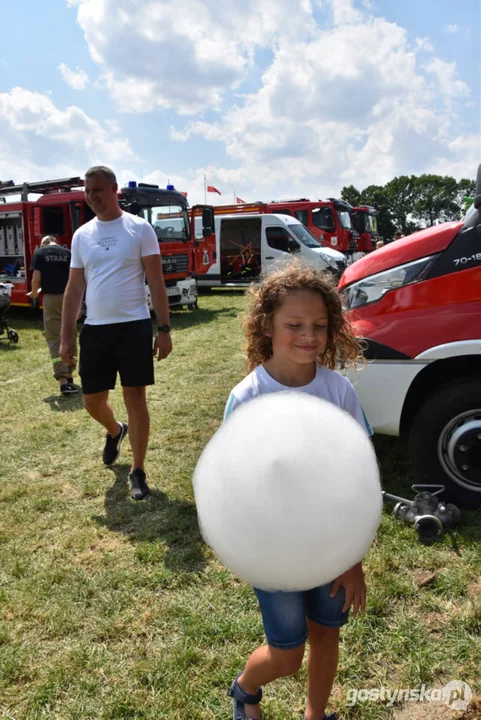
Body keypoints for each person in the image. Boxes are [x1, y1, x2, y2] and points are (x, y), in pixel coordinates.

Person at [224, 261, 373, 720]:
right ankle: (246, 688)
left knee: (327, 633)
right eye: (294, 324)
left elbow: (357, 478)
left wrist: (352, 559)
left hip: (330, 547)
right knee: (287, 654)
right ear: (267, 326)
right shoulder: (248, 398)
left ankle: (315, 715)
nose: (308, 335)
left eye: (319, 326)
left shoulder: (339, 392)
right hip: (275, 555)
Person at [59, 166, 172, 501]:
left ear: (114, 190)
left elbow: (156, 282)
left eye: (98, 190)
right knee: (92, 400)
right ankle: (114, 430)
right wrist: (67, 336)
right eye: (87, 191)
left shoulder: (139, 229)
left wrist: (162, 328)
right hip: (95, 329)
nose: (92, 197)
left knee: (134, 397)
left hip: (134, 326)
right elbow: (74, 287)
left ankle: (138, 470)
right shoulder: (82, 236)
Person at [28, 235, 79, 396]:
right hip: (69, 297)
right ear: (56, 241)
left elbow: (36, 279)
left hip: (51, 298)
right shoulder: (68, 253)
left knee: (54, 338)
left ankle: (63, 381)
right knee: (70, 335)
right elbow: (77, 277)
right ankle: (70, 375)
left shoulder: (40, 253)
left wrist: (34, 294)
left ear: (42, 243)